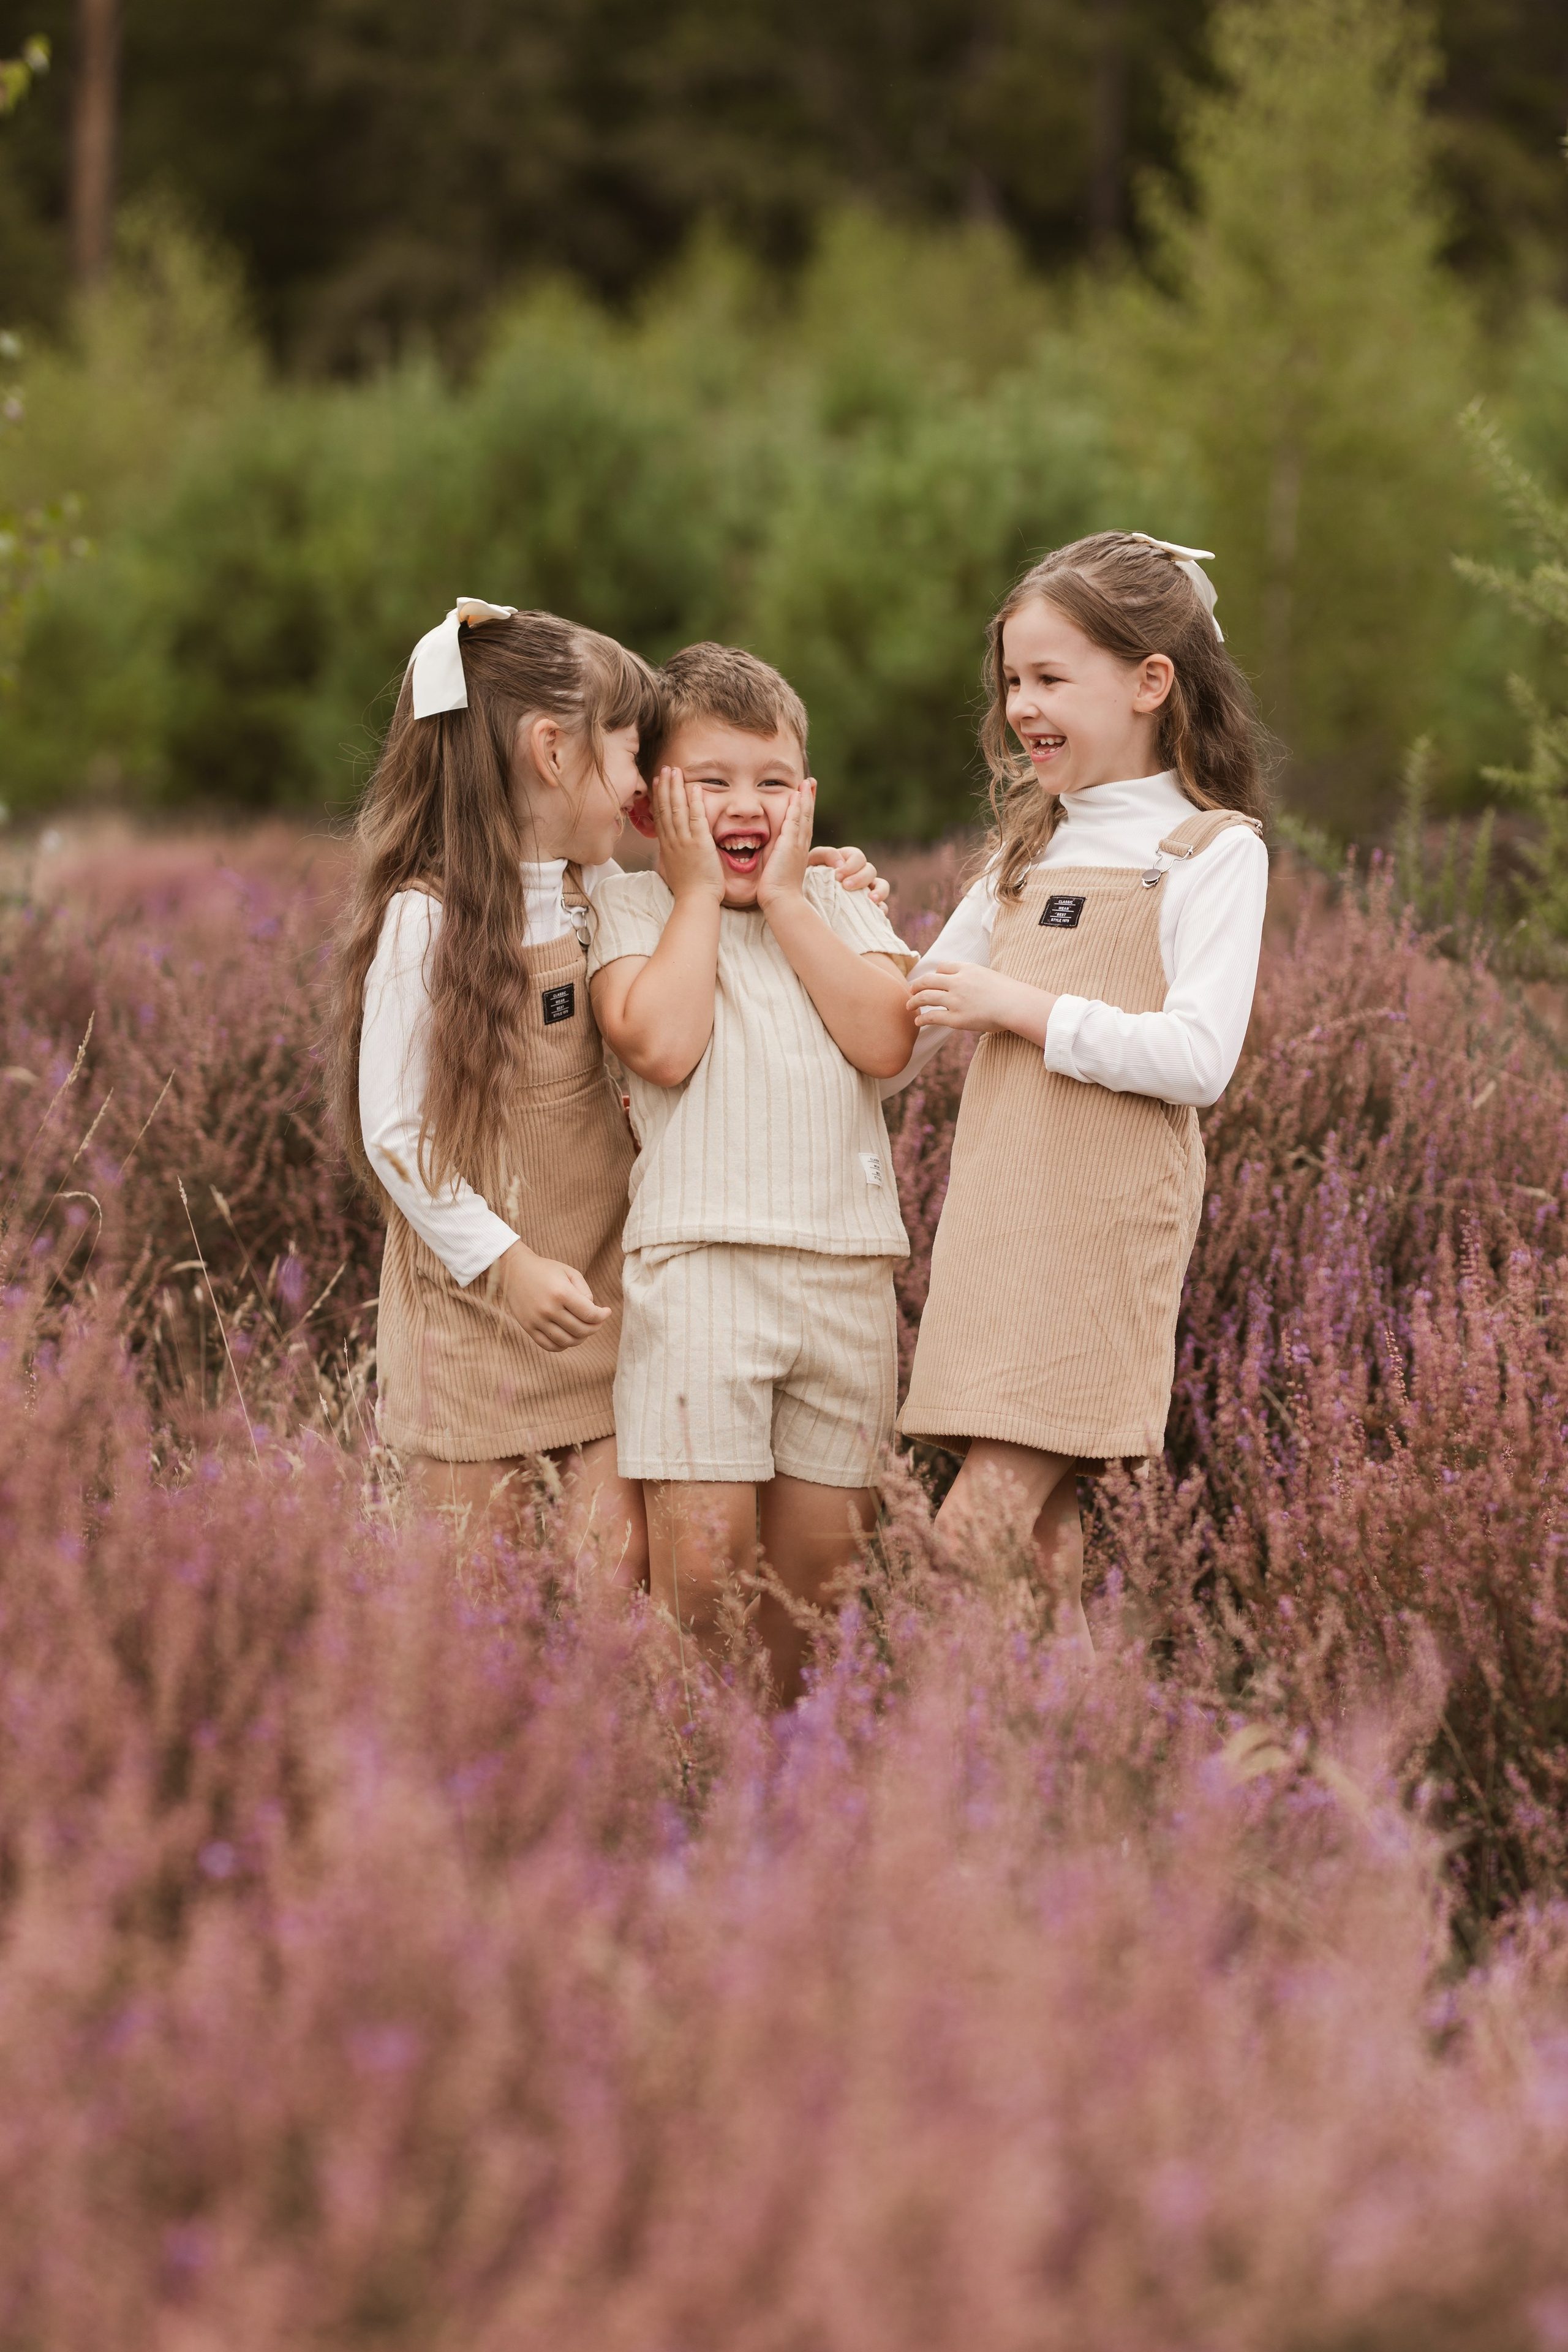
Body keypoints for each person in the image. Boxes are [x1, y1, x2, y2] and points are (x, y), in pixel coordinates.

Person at [329, 603, 893, 1586]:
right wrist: (504, 1267)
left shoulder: (598, 892)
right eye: (633, 756)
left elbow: (706, 893)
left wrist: (825, 879)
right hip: (479, 1319)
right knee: (472, 1588)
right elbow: (396, 1131)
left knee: (613, 1566)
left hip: (597, 1311)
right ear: (553, 753)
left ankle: (622, 1744)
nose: (642, 791)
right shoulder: (430, 920)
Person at [890, 532, 1270, 1649]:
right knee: (1040, 1548)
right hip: (996, 1224)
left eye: (1052, 677)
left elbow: (1199, 1058)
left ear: (1153, 681)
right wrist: (821, 908)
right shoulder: (1024, 850)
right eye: (1013, 679)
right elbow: (907, 1023)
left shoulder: (1212, 851)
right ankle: (1062, 1787)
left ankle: (927, 1778)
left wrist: (1016, 1007)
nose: (1022, 704)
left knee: (967, 1546)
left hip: (1101, 1232)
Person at [586, 644, 919, 1701]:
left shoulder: (838, 906)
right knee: (702, 1563)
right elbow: (665, 1046)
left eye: (773, 784)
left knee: (818, 1583)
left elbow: (885, 1040)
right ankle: (681, 1775)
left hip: (847, 1277)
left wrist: (790, 899)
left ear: (807, 799)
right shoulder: (631, 909)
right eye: (710, 783)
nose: (747, 804)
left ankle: (772, 1791)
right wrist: (696, 896)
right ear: (650, 808)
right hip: (702, 1277)